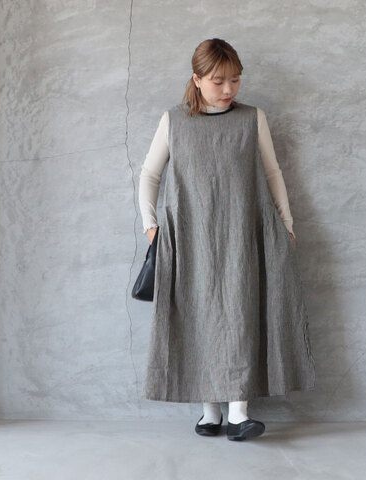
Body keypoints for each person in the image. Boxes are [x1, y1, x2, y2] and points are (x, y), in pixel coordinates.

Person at [138, 38, 315, 441]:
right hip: (190, 235)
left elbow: (272, 172)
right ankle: (210, 411)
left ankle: (239, 413)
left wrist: (286, 224)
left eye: (235, 79)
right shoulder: (173, 120)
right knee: (195, 315)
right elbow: (150, 174)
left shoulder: (253, 118)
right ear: (197, 79)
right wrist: (151, 226)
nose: (229, 88)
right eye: (218, 81)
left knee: (241, 312)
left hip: (243, 232)